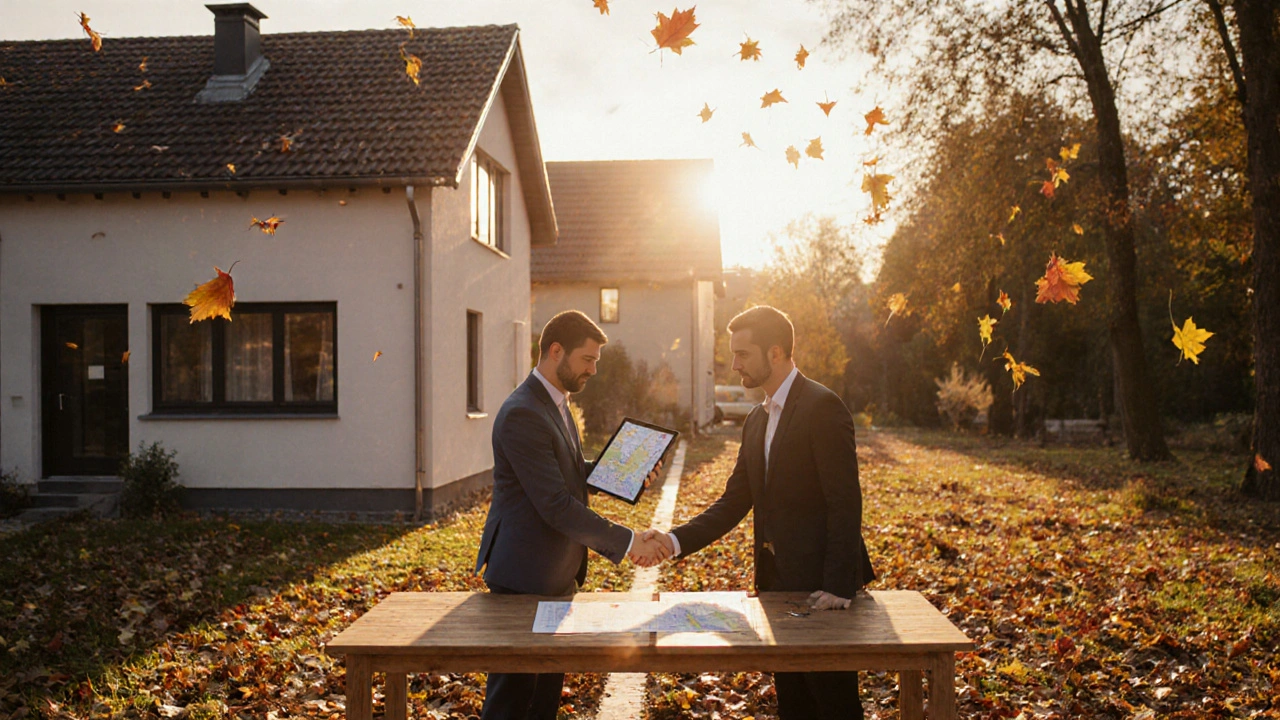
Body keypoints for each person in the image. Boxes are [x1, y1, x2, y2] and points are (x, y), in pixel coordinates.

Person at [642, 305, 876, 720]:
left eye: (743, 354)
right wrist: (673, 540)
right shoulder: (755, 419)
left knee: (835, 705)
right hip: (775, 585)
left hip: (824, 589)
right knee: (795, 705)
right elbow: (733, 502)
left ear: (775, 352)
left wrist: (839, 586)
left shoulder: (824, 406)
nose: (734, 366)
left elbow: (845, 499)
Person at [474, 309, 669, 720]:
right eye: (588, 359)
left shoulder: (555, 401)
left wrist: (622, 473)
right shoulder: (523, 411)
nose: (594, 370)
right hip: (524, 577)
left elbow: (565, 469)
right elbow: (555, 504)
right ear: (555, 351)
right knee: (512, 700)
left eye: (596, 361)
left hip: (555, 575)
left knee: (544, 696)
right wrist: (630, 541)